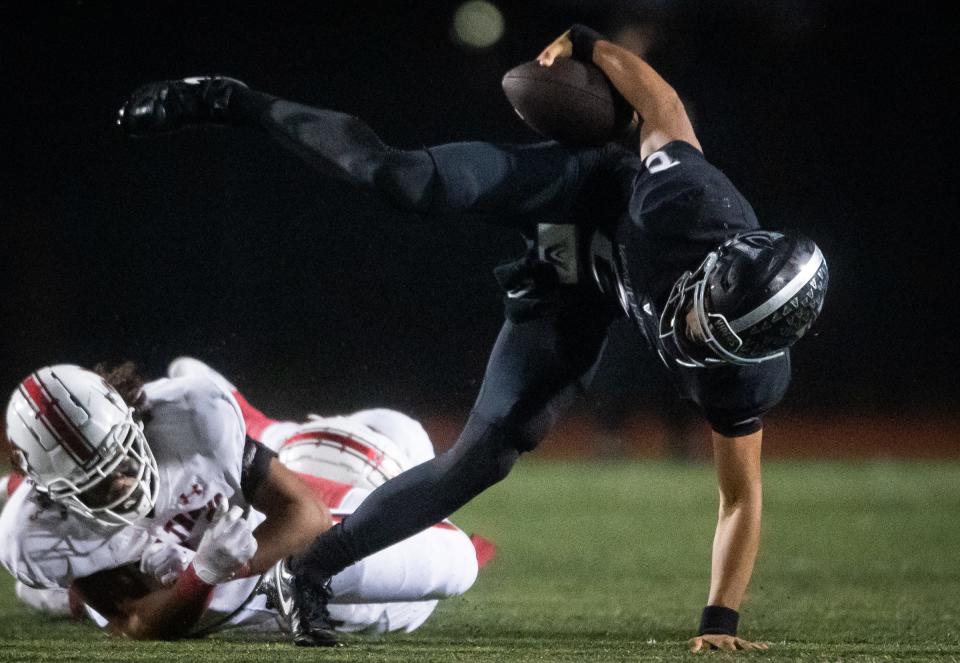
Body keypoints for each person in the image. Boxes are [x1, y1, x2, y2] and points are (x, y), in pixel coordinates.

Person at [117, 24, 828, 653]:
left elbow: (741, 496)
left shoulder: (747, 379)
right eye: (705, 310)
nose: (692, 331)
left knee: (485, 454)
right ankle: (229, 97)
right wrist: (588, 44)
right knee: (404, 180)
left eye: (716, 337)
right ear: (715, 264)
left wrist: (721, 616)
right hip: (583, 196)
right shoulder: (686, 201)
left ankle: (307, 568)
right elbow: (663, 106)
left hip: (583, 288)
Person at [0, 358, 486, 644]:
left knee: (401, 440)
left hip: (261, 543)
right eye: (93, 484)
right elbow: (136, 621)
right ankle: (272, 432)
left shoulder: (190, 418)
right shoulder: (36, 534)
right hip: (240, 593)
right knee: (46, 588)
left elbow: (307, 514)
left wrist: (237, 560)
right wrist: (203, 574)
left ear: (131, 416)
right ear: (50, 487)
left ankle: (266, 430)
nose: (121, 486)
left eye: (122, 462)